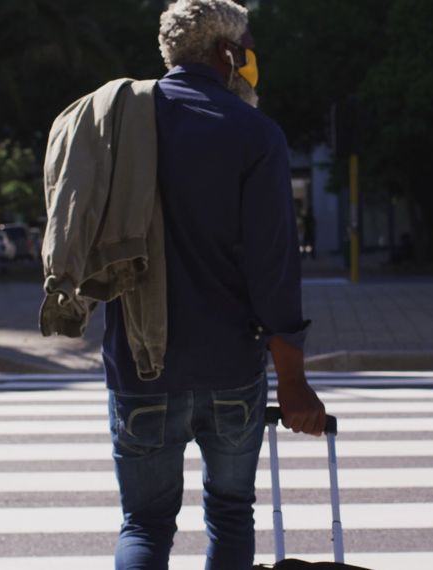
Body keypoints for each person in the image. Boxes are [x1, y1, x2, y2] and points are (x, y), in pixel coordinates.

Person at [102, 1, 327, 568]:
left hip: (140, 363)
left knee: (145, 524)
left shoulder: (121, 124)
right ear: (228, 54)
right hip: (231, 369)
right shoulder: (254, 133)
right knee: (229, 513)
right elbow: (273, 268)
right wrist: (293, 382)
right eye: (248, 52)